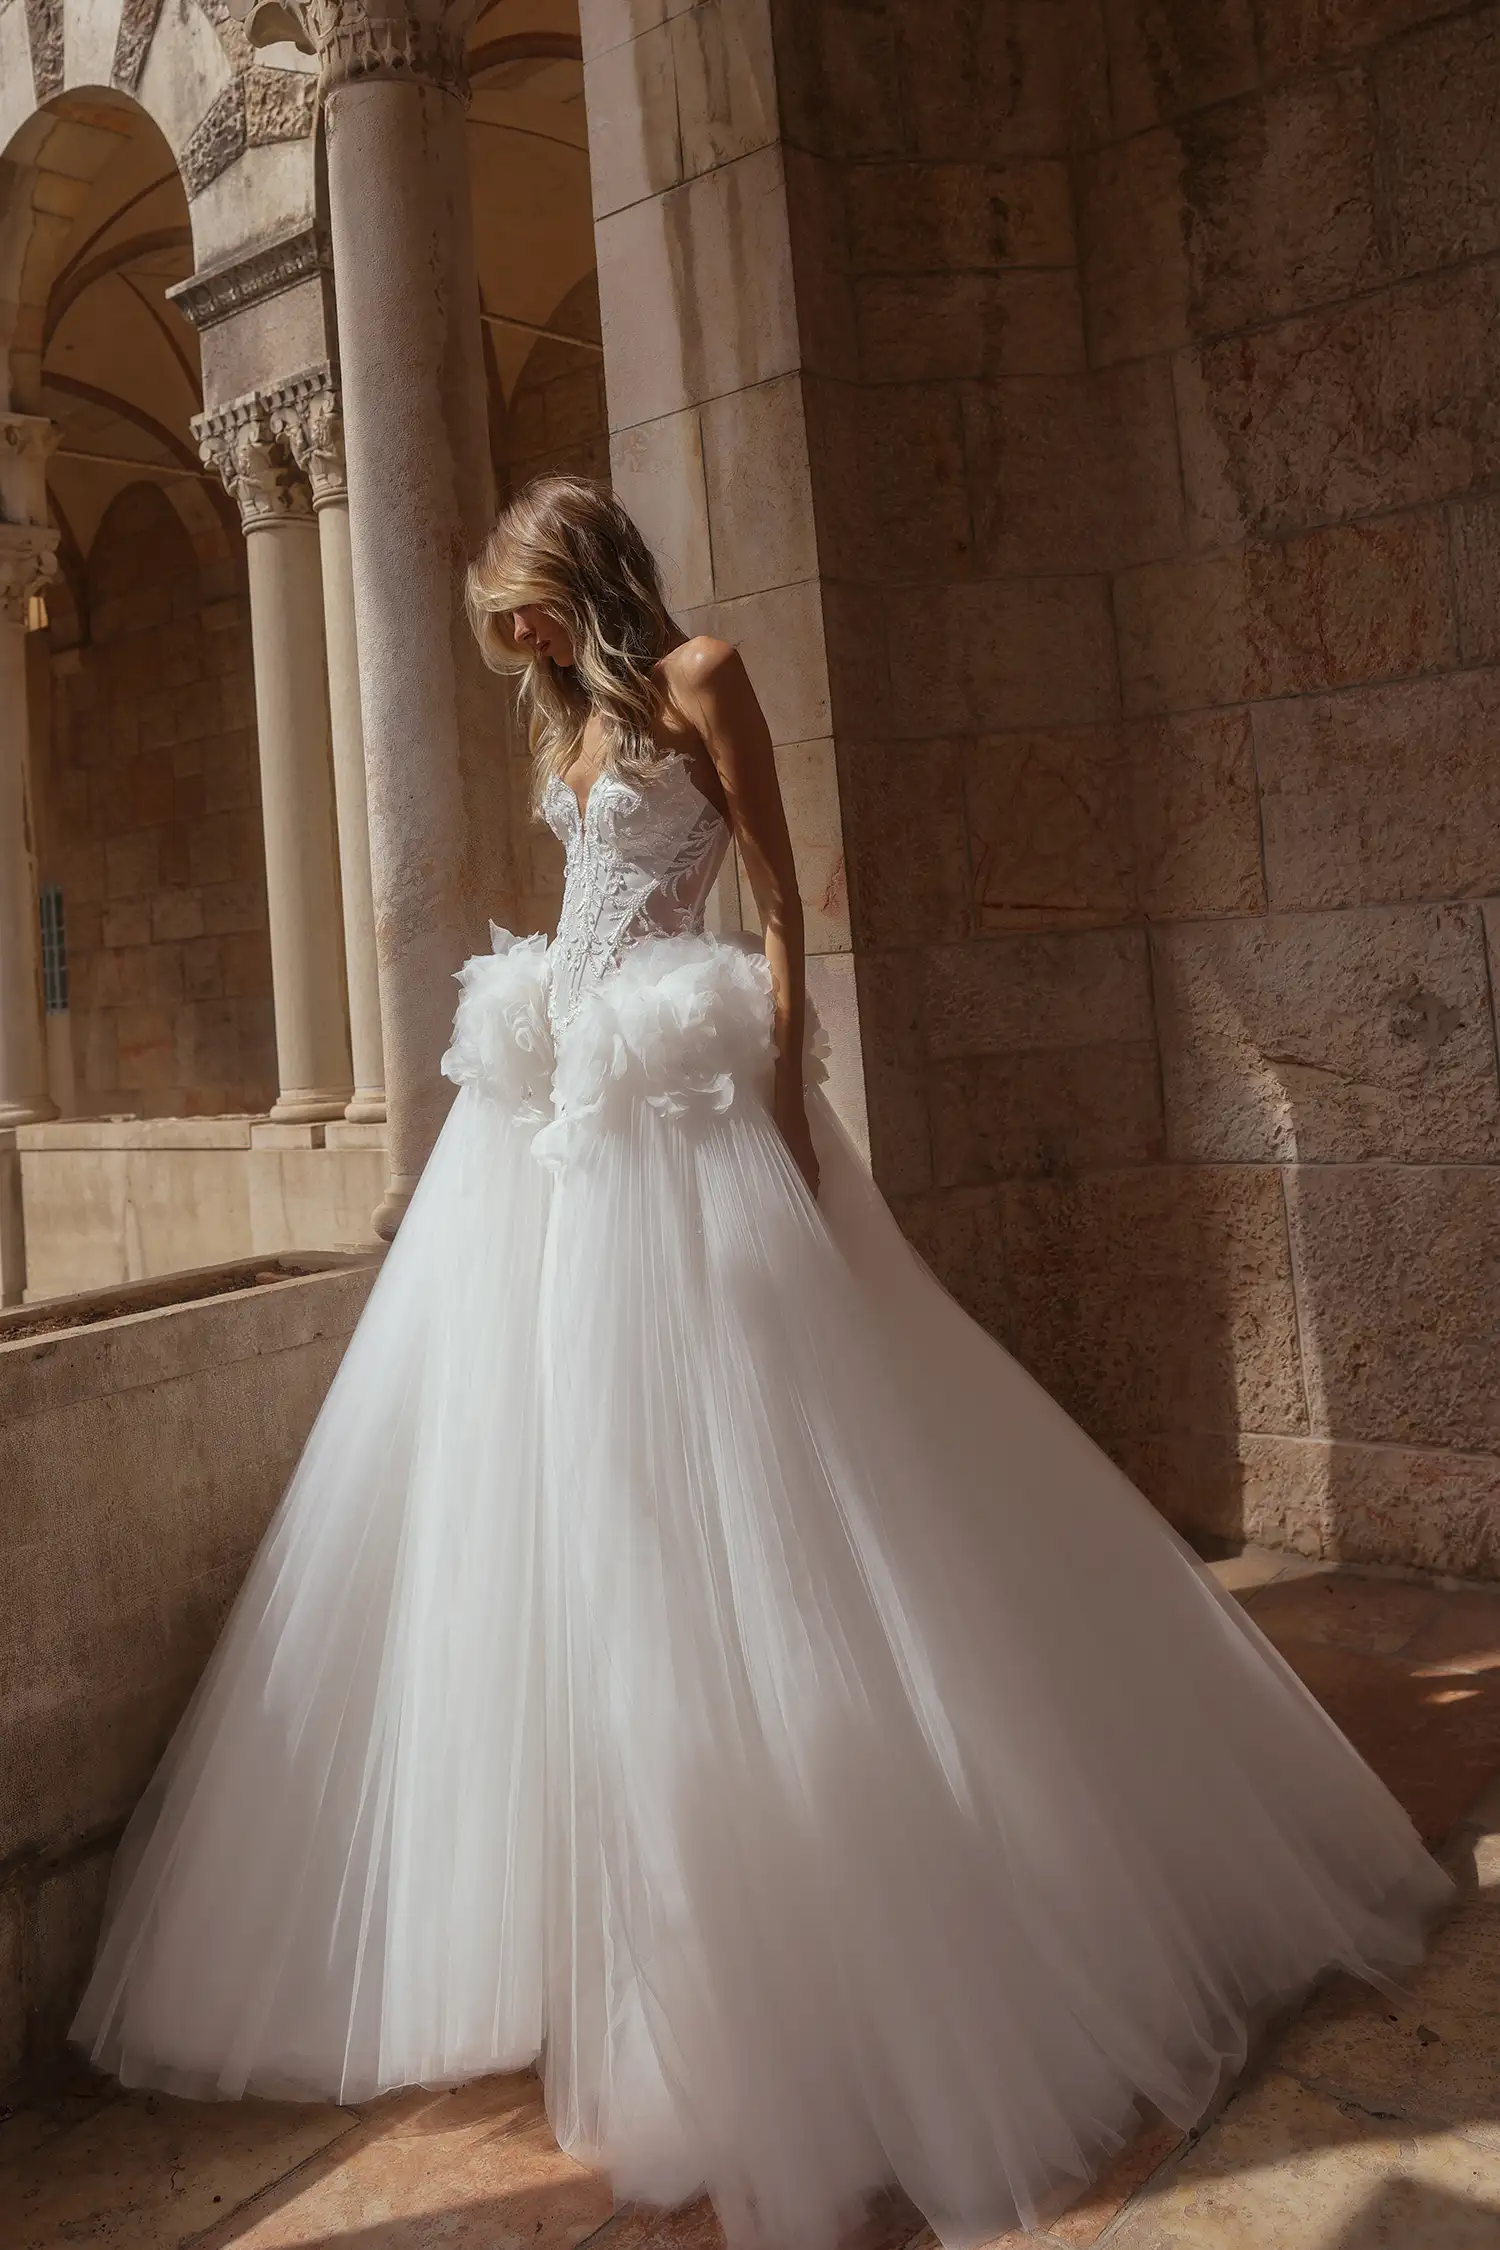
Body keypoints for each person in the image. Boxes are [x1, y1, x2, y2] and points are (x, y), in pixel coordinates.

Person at [72, 476, 1450, 2250]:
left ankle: (829, 1926)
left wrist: (792, 1111)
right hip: (563, 1133)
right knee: (574, 1520)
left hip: (689, 1126)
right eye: (508, 629)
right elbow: (575, 926)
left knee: (765, 1498)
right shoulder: (570, 732)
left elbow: (786, 907)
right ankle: (634, 1934)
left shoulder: (709, 675)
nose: (519, 647)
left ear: (575, 577)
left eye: (527, 611)